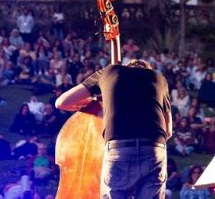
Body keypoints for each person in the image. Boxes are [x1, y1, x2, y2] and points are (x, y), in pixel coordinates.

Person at [56, 58, 173, 198]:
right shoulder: (159, 78)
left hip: (120, 148)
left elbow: (62, 102)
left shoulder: (109, 71)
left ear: (126, 66)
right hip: (154, 148)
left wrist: (96, 103)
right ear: (147, 70)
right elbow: (169, 131)